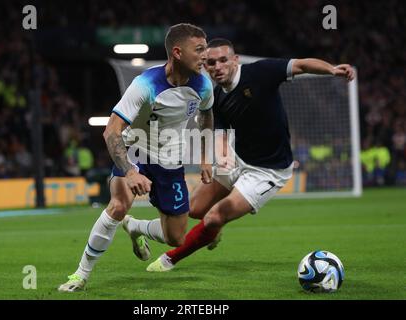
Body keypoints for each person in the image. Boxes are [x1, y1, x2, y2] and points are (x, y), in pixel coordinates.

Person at [139, 38, 355, 272]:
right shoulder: (215, 95)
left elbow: (301, 65)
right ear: (206, 66)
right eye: (211, 63)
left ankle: (169, 259)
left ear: (235, 60)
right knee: (194, 209)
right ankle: (208, 231)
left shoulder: (261, 72)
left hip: (268, 171)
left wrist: (332, 70)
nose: (217, 67)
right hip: (237, 158)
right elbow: (219, 133)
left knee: (212, 218)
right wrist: (220, 157)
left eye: (223, 60)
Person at [58, 23, 214, 292]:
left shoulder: (203, 85)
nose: (205, 55)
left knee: (176, 237)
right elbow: (111, 131)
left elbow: (207, 115)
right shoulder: (145, 84)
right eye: (198, 49)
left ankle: (136, 227)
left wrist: (206, 156)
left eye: (205, 49)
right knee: (118, 206)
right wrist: (130, 171)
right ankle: (80, 275)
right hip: (136, 149)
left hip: (169, 159)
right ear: (177, 52)